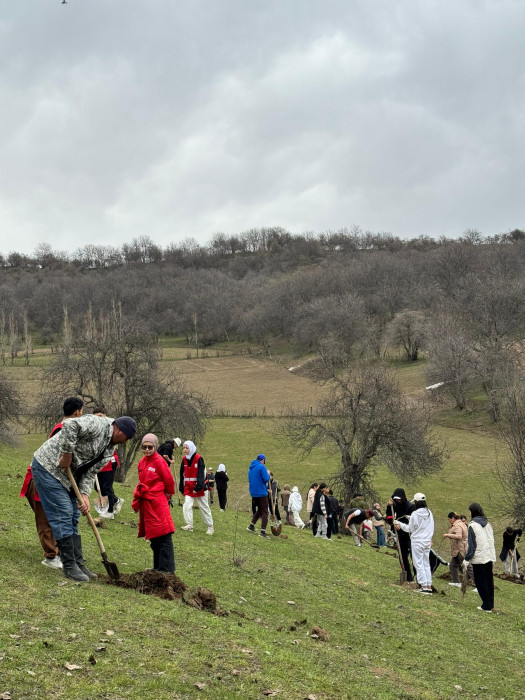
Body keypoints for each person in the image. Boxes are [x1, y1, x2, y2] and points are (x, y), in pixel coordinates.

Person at [30, 414, 136, 582]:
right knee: (64, 512)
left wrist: (85, 495)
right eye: (126, 437)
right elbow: (70, 425)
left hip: (70, 478)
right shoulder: (97, 424)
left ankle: (77, 562)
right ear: (118, 429)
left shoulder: (109, 450)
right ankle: (68, 565)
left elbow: (91, 472)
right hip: (48, 468)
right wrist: (67, 454)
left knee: (74, 516)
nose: (125, 442)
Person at [20, 397, 84, 569]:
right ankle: (51, 556)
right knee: (45, 518)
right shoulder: (62, 430)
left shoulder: (69, 430)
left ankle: (63, 553)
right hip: (42, 478)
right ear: (77, 412)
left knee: (57, 517)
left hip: (55, 479)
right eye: (82, 411)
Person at [132, 433, 175, 573]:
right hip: (147, 503)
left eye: (150, 447)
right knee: (154, 537)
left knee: (163, 535)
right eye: (144, 447)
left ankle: (167, 570)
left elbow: (169, 482)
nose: (147, 450)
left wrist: (165, 496)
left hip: (158, 502)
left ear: (155, 447)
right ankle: (157, 568)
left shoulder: (159, 462)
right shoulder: (142, 462)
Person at [395, 493, 434, 594]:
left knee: (418, 563)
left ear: (416, 502)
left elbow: (410, 529)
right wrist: (410, 518)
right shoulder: (429, 512)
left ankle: (424, 585)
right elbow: (427, 525)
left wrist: (399, 523)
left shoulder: (415, 514)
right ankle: (428, 585)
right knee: (426, 563)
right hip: (427, 541)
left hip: (417, 541)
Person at [91, 407, 123, 520]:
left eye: (100, 416)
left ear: (105, 416)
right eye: (96, 417)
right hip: (99, 462)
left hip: (110, 461)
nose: (98, 419)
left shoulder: (111, 427)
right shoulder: (94, 428)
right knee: (97, 486)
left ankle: (110, 511)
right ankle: (116, 500)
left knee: (106, 486)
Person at [464, 502, 496, 612]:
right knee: (489, 581)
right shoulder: (488, 524)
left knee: (481, 582)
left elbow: (472, 545)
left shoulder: (472, 525)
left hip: (479, 558)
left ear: (473, 512)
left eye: (469, 511)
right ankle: (490, 604)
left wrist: (467, 558)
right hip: (489, 556)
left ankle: (486, 606)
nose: (469, 513)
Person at [179, 441, 214, 534]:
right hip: (189, 487)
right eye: (184, 448)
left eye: (187, 448)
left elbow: (201, 474)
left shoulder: (199, 459)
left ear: (191, 448)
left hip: (200, 487)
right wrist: (181, 486)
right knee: (187, 505)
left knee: (204, 507)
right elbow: (182, 474)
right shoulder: (184, 459)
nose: (185, 450)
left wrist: (197, 487)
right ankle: (189, 525)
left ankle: (210, 526)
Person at [386, 488, 414, 581]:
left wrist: (400, 525)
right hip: (400, 534)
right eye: (396, 499)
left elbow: (412, 521)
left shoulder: (410, 506)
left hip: (410, 534)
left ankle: (418, 577)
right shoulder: (394, 505)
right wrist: (389, 506)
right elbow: (389, 517)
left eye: (399, 499)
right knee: (402, 556)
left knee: (414, 556)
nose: (398, 501)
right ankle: (408, 577)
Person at [247, 454, 271, 538]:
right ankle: (263, 531)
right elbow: (266, 479)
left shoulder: (250, 469)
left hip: (253, 493)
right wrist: (268, 474)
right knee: (265, 511)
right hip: (261, 493)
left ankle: (251, 525)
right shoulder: (261, 467)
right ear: (262, 460)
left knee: (260, 509)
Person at [442, 511, 467, 587]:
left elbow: (459, 536)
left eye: (449, 519)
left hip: (460, 550)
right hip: (457, 550)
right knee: (452, 565)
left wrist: (448, 535)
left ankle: (477, 585)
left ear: (453, 518)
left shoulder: (457, 525)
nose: (449, 521)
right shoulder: (460, 524)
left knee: (468, 567)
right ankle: (456, 582)